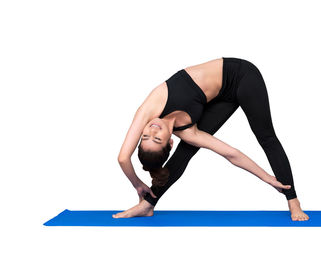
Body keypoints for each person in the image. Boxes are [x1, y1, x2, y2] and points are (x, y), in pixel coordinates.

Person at [113, 57, 309, 221]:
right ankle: (148, 204)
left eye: (145, 135)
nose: (152, 130)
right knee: (186, 150)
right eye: (157, 139)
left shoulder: (150, 106)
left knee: (266, 137)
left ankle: (293, 201)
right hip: (224, 98)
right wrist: (267, 178)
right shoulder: (189, 133)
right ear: (169, 142)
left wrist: (137, 184)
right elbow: (231, 154)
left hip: (242, 75)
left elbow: (123, 158)